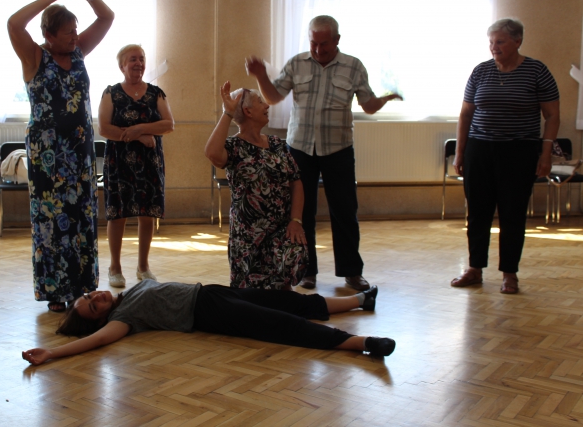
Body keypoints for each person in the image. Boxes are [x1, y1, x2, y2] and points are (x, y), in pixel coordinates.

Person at [245, 15, 402, 291]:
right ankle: (306, 271)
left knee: (345, 211)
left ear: (337, 40)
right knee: (300, 212)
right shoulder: (297, 63)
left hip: (338, 149)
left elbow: (368, 105)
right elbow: (273, 97)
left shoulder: (353, 66)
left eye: (324, 44)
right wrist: (260, 76)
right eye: (313, 43)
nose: (318, 50)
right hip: (300, 148)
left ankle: (352, 272)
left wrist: (385, 99)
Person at [8, 0, 114, 311]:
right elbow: (14, 23)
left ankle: (81, 286)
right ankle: (55, 291)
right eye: (68, 32)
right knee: (51, 219)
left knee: (82, 216)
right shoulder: (34, 56)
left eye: (75, 31)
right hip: (48, 155)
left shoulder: (78, 51)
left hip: (80, 151)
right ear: (48, 35)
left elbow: (107, 17)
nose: (74, 37)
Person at [21, 279, 391, 365]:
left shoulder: (129, 292)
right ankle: (360, 344)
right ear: (99, 319)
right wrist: (52, 353)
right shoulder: (123, 317)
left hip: (212, 292)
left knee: (289, 300)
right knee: (279, 322)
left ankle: (360, 300)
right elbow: (98, 341)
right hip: (211, 313)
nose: (96, 299)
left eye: (90, 296)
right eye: (92, 308)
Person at [451, 18, 560, 294]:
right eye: (491, 42)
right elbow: (466, 114)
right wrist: (460, 153)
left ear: (518, 41)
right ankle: (475, 268)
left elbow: (552, 115)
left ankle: (509, 273)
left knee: (512, 213)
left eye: (500, 41)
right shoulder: (481, 71)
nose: (494, 47)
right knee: (478, 212)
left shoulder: (537, 71)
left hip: (519, 151)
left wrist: (545, 154)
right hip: (479, 149)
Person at [205, 81, 307, 289]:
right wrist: (227, 113)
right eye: (261, 101)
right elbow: (212, 153)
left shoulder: (276, 144)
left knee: (283, 285)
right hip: (248, 238)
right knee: (248, 297)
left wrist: (296, 220)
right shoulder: (235, 146)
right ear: (248, 111)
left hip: (280, 230)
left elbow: (296, 181)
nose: (267, 105)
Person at [98, 45, 174, 287]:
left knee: (147, 213)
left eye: (141, 59)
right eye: (133, 59)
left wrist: (140, 128)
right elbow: (104, 129)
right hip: (118, 162)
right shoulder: (111, 93)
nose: (139, 63)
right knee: (117, 214)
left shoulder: (156, 93)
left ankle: (143, 267)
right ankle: (115, 267)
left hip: (150, 162)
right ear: (122, 65)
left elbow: (169, 124)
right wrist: (140, 137)